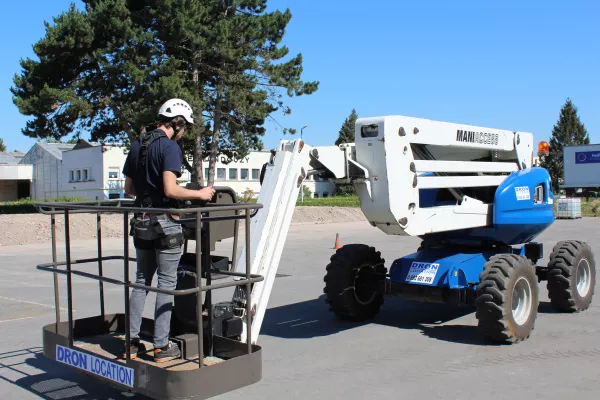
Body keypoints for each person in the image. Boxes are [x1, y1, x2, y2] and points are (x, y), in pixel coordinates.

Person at [122, 98, 215, 363]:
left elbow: (130, 190)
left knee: (141, 281)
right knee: (166, 284)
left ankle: (131, 342)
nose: (184, 133)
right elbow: (170, 190)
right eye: (185, 128)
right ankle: (161, 347)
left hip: (141, 219)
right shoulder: (169, 148)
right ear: (178, 123)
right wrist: (200, 194)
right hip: (165, 223)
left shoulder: (137, 144)